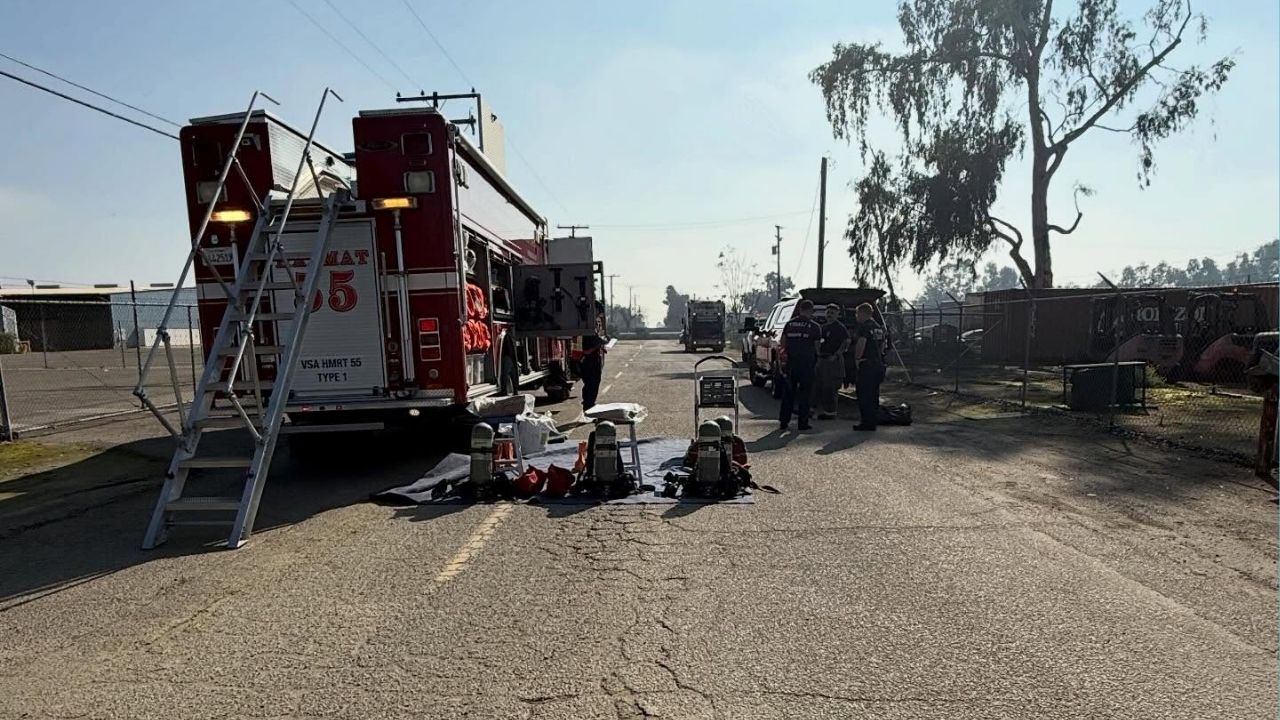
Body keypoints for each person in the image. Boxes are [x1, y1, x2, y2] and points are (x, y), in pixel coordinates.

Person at [779, 299, 821, 431]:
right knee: (805, 394)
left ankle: (784, 422)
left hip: (792, 363)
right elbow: (817, 347)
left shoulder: (789, 324)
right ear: (810, 311)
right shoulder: (814, 327)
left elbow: (783, 343)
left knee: (788, 393)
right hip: (807, 364)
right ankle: (803, 423)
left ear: (800, 310)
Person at [851, 302, 886, 431]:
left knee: (864, 395)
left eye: (857, 313)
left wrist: (857, 359)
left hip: (866, 364)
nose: (856, 316)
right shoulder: (878, 327)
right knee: (874, 394)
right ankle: (872, 421)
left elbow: (862, 342)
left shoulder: (864, 327)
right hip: (877, 364)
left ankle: (865, 422)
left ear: (862, 313)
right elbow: (883, 345)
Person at [815, 303, 850, 419]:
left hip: (834, 360)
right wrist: (818, 353)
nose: (830, 315)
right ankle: (821, 410)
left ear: (837, 314)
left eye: (833, 313)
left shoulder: (840, 328)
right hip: (822, 359)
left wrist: (837, 354)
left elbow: (846, 342)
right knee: (820, 386)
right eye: (828, 312)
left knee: (831, 387)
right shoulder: (823, 327)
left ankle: (831, 412)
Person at [579, 303, 608, 414]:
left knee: (593, 383)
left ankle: (589, 406)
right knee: (591, 383)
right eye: (599, 313)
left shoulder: (593, 324)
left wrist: (601, 345)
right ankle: (588, 407)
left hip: (593, 358)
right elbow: (586, 350)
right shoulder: (588, 327)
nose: (599, 317)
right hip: (589, 360)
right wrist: (599, 344)